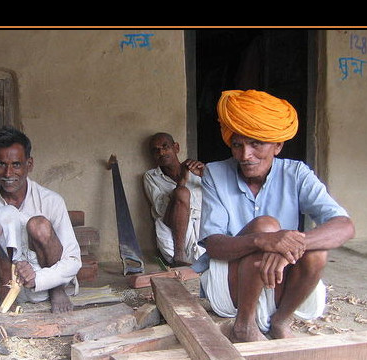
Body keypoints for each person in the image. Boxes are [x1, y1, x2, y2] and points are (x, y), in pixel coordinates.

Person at [198, 90, 355, 342]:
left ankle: (281, 320)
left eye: (256, 144)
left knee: (316, 252)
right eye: (237, 144)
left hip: (281, 281)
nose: (245, 155)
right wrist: (263, 240)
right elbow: (214, 245)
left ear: (278, 146)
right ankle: (244, 325)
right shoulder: (215, 174)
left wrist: (286, 245)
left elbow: (344, 227)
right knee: (266, 226)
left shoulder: (297, 173)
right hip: (232, 284)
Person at [0, 126, 81, 313]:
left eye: (16, 164)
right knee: (6, 214)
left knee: (39, 225)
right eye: (1, 164)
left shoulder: (52, 201)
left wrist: (40, 279)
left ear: (29, 164)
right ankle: (6, 291)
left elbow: (73, 260)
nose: (8, 173)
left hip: (41, 284)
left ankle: (58, 291)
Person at [143, 133, 206, 266]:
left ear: (176, 147)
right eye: (156, 150)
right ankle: (179, 256)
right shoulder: (151, 177)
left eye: (165, 147)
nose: (161, 152)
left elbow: (217, 200)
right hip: (170, 225)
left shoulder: (197, 171)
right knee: (181, 192)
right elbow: (160, 209)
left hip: (200, 225)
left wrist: (205, 176)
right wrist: (181, 182)